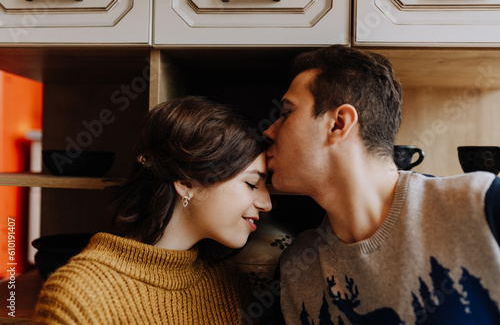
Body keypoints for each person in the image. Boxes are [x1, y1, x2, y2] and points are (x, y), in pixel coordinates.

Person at [263, 46, 500, 324]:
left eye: (287, 113)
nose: (268, 130)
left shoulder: (481, 204)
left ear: (339, 124)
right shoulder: (296, 268)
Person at [32, 96, 272, 324]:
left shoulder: (228, 284)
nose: (267, 203)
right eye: (251, 184)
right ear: (186, 183)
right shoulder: (78, 298)